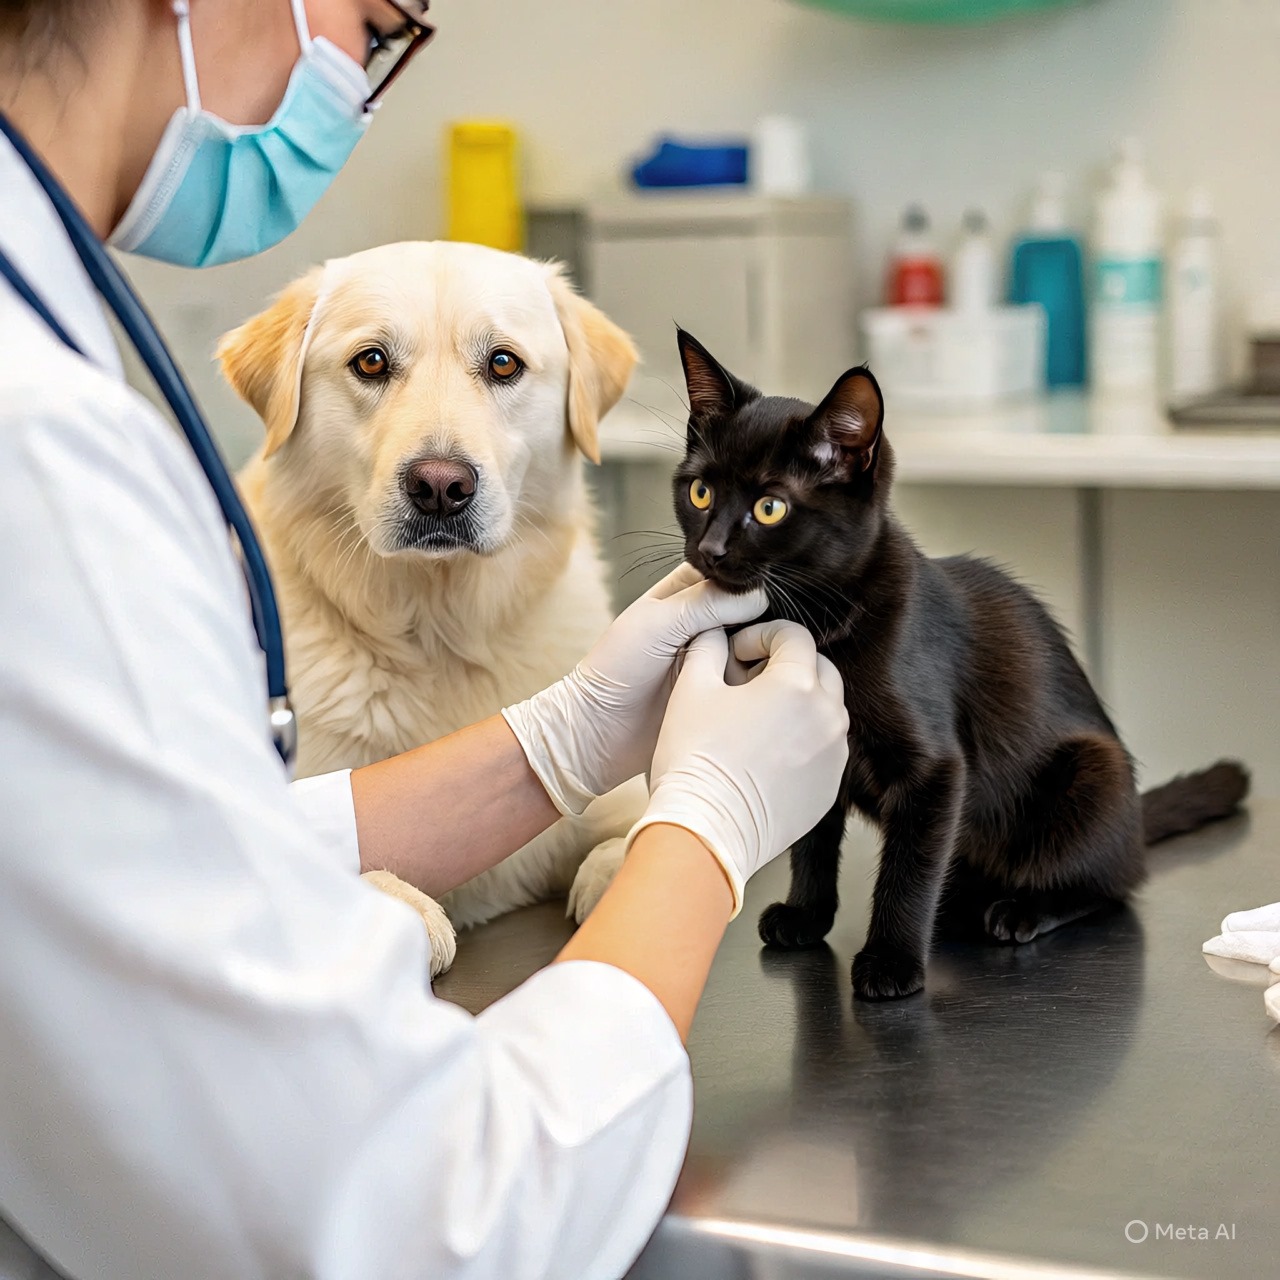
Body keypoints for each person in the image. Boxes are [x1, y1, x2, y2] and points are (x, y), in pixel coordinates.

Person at [0, 2, 850, 1278]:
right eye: (372, 24)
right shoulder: (40, 455)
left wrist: (553, 749)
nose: (350, 77)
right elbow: (435, 1215)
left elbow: (126, 858)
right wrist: (701, 833)